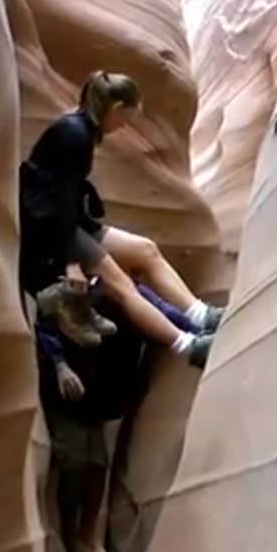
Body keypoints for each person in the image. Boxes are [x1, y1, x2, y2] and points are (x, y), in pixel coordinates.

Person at [20, 70, 221, 368]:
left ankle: (201, 316)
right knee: (121, 285)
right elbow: (56, 203)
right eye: (126, 119)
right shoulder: (74, 134)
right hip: (50, 229)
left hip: (69, 221)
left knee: (145, 250)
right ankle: (189, 346)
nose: (124, 126)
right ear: (114, 108)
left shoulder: (82, 129)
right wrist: (71, 263)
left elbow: (67, 198)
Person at [35, 283, 195, 552]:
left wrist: (195, 330)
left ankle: (89, 538)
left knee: (97, 464)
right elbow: (44, 324)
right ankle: (73, 538)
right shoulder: (64, 288)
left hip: (95, 394)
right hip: (67, 395)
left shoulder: (125, 292)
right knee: (74, 463)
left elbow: (160, 311)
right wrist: (59, 365)